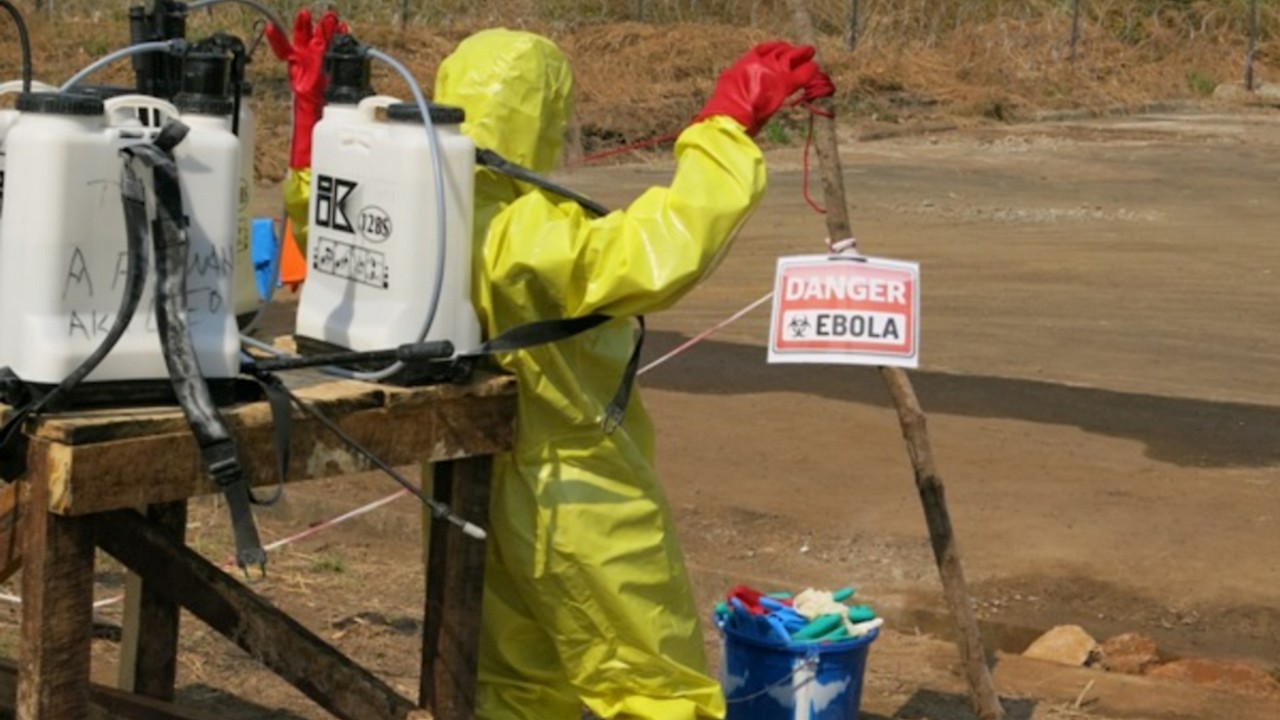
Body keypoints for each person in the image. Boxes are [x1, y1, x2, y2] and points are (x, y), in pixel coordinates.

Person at [433, 29, 833, 719]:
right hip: (575, 495)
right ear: (540, 117)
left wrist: (308, 135)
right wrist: (724, 131)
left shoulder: (427, 209)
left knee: (515, 686)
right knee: (655, 689)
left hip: (474, 479)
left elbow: (315, 210)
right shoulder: (522, 231)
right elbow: (657, 249)